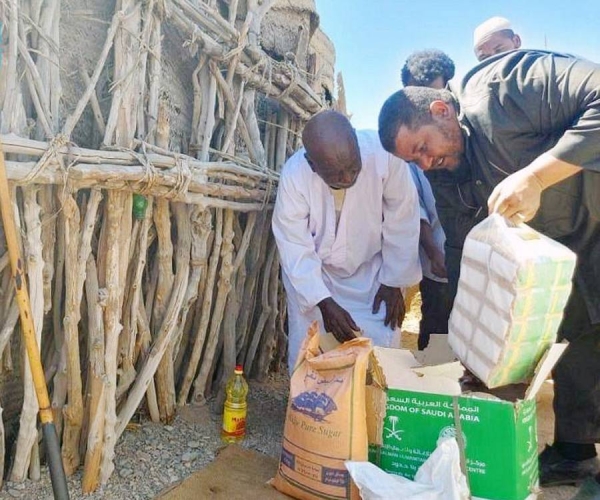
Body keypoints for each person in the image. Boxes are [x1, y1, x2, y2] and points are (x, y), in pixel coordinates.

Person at [378, 50, 600, 496]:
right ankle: (575, 451)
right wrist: (469, 342)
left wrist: (537, 176)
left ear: (442, 112)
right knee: (574, 335)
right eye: (413, 161)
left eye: (422, 148)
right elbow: (462, 250)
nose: (424, 163)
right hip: (557, 254)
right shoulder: (443, 173)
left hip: (594, 219)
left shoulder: (505, 87)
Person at [272, 110, 421, 372]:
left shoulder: (384, 156)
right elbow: (294, 246)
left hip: (374, 274)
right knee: (313, 353)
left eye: (353, 167)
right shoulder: (295, 176)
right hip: (316, 277)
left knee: (378, 355)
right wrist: (323, 302)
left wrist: (393, 280)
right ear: (312, 164)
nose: (347, 178)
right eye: (336, 174)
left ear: (355, 139)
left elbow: (403, 216)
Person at [401, 50, 455, 349]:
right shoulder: (405, 139)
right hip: (438, 258)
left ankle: (470, 393)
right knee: (437, 327)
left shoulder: (467, 128)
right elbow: (413, 205)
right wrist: (434, 252)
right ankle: (431, 391)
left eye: (432, 91)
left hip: (477, 259)